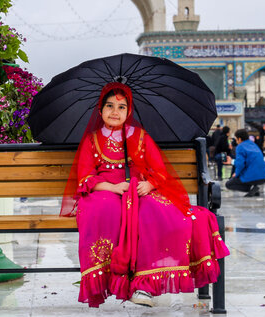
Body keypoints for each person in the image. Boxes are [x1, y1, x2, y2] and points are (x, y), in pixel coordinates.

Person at [61, 82, 229, 308]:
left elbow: (160, 172)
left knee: (160, 215)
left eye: (121, 107)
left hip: (139, 190)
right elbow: (85, 179)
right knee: (106, 210)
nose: (114, 112)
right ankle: (118, 280)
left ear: (129, 111)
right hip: (104, 192)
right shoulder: (92, 140)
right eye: (109, 106)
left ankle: (144, 286)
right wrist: (112, 187)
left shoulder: (139, 136)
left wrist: (149, 185)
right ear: (100, 111)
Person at [226, 129, 265, 197]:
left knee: (229, 184)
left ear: (239, 139)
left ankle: (251, 189)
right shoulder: (253, 144)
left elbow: (240, 164)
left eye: (236, 139)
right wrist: (233, 161)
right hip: (263, 177)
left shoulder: (240, 147)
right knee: (245, 176)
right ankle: (254, 189)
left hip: (252, 176)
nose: (236, 141)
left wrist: (236, 174)